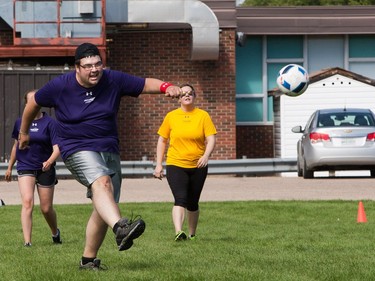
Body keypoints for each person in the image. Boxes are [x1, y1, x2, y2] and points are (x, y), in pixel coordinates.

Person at [17, 42, 182, 270]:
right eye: (88, 66)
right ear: (77, 68)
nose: (94, 70)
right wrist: (24, 132)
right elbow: (33, 103)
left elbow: (144, 84)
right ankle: (121, 228)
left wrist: (167, 87)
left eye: (98, 64)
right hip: (76, 147)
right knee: (102, 184)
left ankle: (87, 261)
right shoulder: (60, 86)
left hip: (109, 148)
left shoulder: (112, 79)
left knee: (105, 203)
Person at [153, 83, 217, 241]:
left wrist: (206, 155)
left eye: (190, 93)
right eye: (183, 94)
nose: (186, 96)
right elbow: (162, 140)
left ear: (194, 96)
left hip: (198, 165)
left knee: (193, 202)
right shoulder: (171, 116)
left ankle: (192, 234)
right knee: (180, 198)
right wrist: (159, 164)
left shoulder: (203, 116)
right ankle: (178, 232)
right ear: (178, 99)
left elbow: (211, 138)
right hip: (176, 164)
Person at [5, 89, 62, 247]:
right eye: (30, 101)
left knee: (46, 208)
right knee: (28, 202)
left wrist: (50, 161)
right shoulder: (20, 122)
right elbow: (16, 146)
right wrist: (9, 167)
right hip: (25, 165)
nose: (34, 104)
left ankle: (55, 232)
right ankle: (27, 242)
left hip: (45, 167)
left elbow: (57, 147)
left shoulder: (50, 123)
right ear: (26, 104)